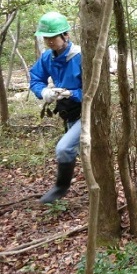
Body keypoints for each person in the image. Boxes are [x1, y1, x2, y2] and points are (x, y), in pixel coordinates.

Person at [29, 11, 83, 203]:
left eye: (53, 37)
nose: (50, 41)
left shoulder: (80, 57)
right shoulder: (47, 58)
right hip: (67, 113)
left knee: (64, 148)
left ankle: (61, 188)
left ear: (65, 35)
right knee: (81, 152)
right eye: (46, 38)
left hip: (87, 113)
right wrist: (44, 92)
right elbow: (35, 78)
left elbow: (97, 90)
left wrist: (72, 93)